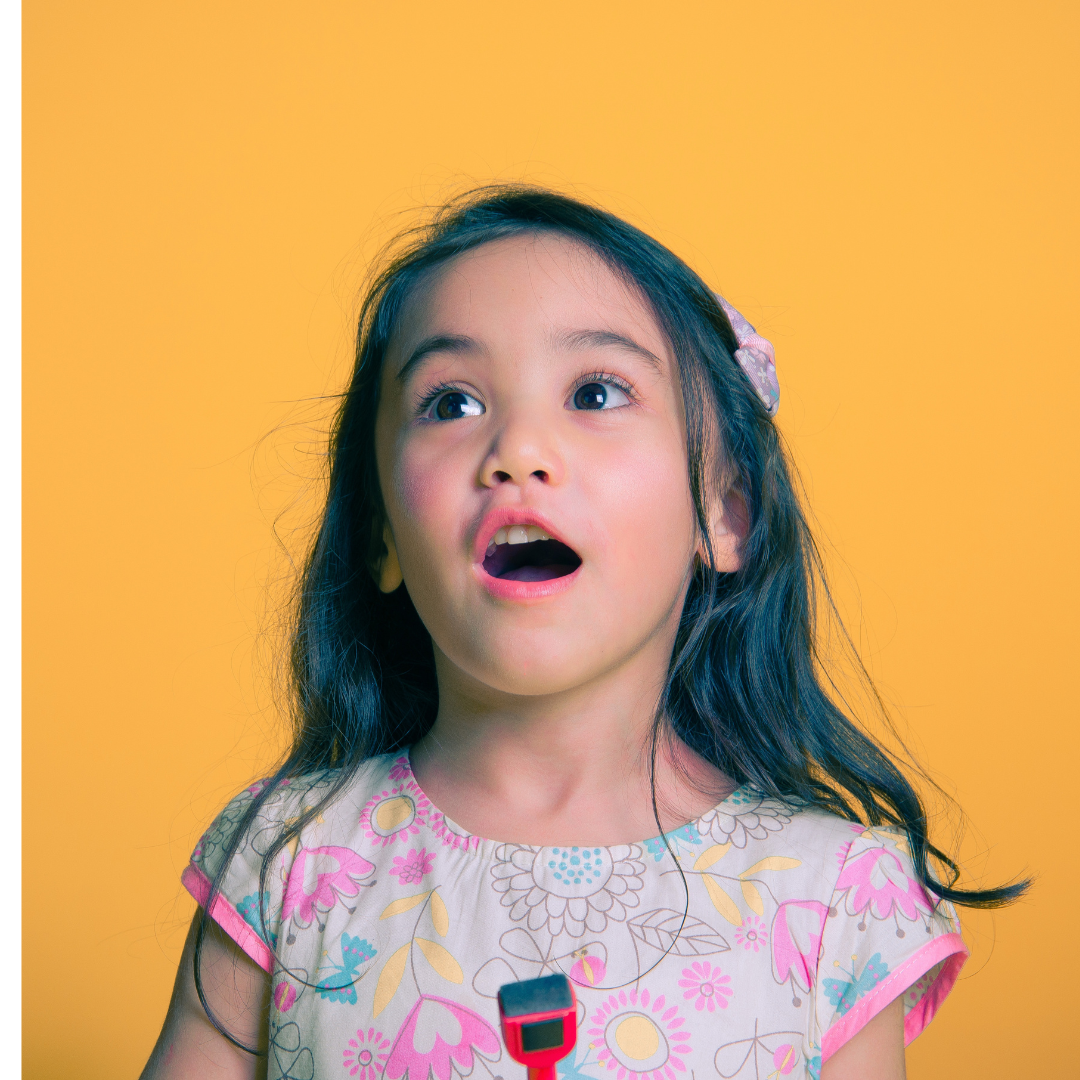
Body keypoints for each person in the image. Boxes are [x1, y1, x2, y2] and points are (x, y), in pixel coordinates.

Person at [140, 186, 1025, 1080]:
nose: (518, 448)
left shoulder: (831, 899)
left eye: (596, 392)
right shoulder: (289, 864)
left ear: (723, 513)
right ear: (381, 535)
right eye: (450, 403)